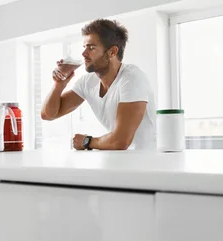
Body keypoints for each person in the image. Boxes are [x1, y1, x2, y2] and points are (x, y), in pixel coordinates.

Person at [41, 19, 156, 150]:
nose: (84, 54)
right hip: (121, 160)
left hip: (147, 162)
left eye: (91, 48)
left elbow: (120, 141)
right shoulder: (88, 82)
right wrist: (59, 84)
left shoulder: (132, 78)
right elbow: (48, 115)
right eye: (84, 47)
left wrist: (87, 141)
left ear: (112, 52)